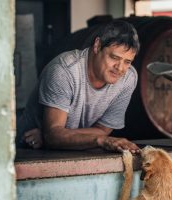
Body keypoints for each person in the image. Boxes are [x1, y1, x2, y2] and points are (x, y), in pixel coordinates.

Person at [16, 20, 140, 153]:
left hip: (75, 150)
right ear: (97, 45)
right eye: (114, 57)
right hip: (28, 150)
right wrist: (101, 140)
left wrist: (56, 135)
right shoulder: (64, 70)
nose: (120, 68)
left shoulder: (128, 78)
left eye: (127, 61)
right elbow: (54, 136)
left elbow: (103, 130)